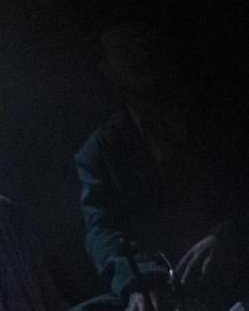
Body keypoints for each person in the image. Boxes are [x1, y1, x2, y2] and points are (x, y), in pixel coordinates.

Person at [72, 22, 248, 311]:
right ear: (106, 69)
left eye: (142, 42)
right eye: (122, 48)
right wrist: (137, 280)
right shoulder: (100, 151)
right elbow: (102, 228)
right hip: (166, 285)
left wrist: (230, 236)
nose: (138, 55)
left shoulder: (223, 119)